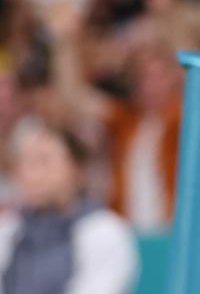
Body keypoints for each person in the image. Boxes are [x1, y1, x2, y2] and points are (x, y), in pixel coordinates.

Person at [0, 120, 138, 294]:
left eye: (43, 161)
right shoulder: (9, 229)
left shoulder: (104, 231)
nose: (31, 174)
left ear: (76, 168)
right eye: (25, 163)